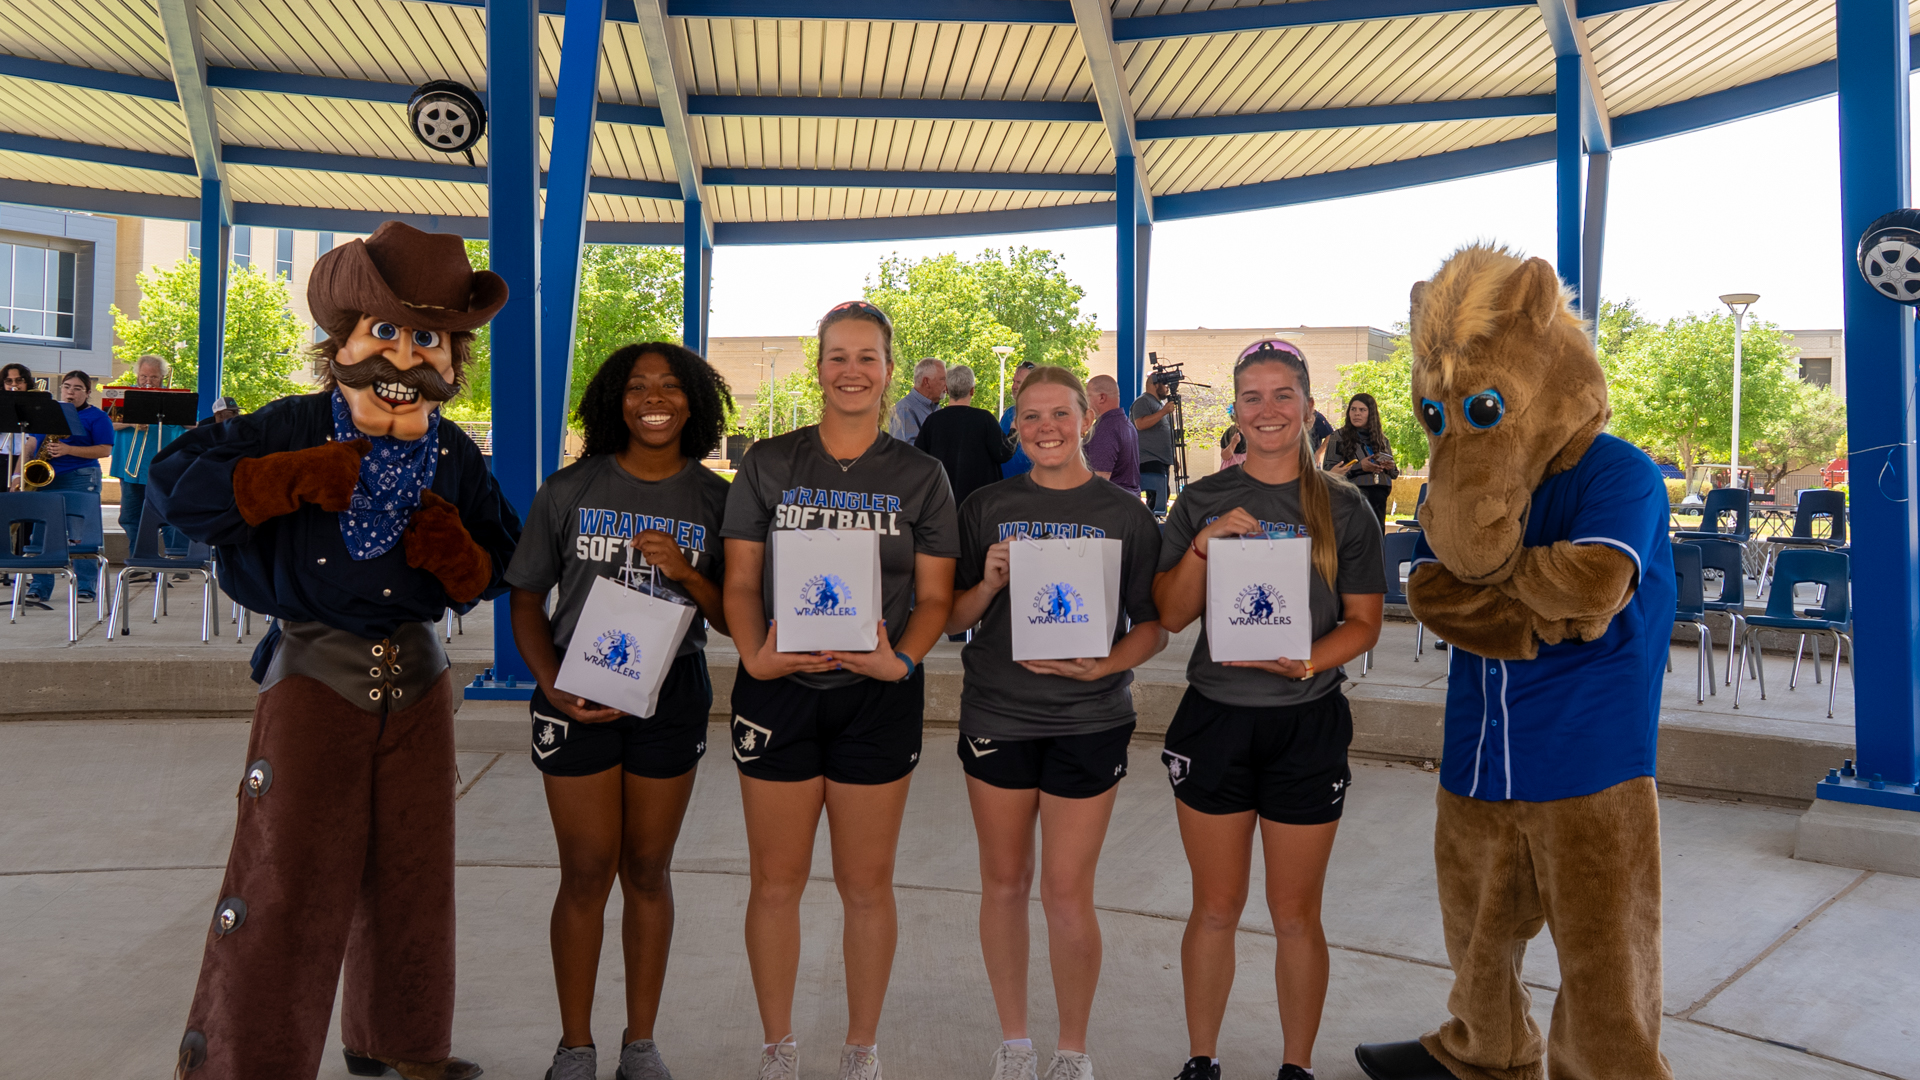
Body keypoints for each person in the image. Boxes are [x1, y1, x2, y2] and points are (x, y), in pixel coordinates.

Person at [151, 222, 520, 1080]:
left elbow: (503, 559)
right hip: (315, 679)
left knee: (416, 877)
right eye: (384, 331)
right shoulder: (285, 424)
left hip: (419, 684)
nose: (403, 354)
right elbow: (173, 489)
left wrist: (458, 557)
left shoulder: (454, 453)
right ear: (344, 342)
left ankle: (402, 1041)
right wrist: (280, 479)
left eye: (425, 337)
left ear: (451, 358)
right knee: (289, 880)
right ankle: (247, 1061)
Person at [1355, 248, 1677, 1080]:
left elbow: (1592, 588)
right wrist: (1529, 613)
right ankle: (1483, 1050)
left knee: (1605, 953)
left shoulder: (1623, 474)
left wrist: (1496, 586)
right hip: (1477, 747)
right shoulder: (1458, 476)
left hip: (1590, 756)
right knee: (1476, 932)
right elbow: (1431, 593)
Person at [721, 300, 959, 1080]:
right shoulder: (768, 461)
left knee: (865, 885)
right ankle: (778, 1048)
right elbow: (743, 579)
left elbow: (932, 599)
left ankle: (861, 1049)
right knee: (777, 881)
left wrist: (905, 662)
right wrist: (755, 656)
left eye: (867, 357)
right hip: (780, 692)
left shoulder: (921, 475)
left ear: (891, 369)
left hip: (875, 696)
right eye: (837, 356)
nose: (851, 370)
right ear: (817, 366)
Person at [1151, 339, 1385, 1080]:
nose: (1268, 409)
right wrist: (1201, 548)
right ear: (1236, 413)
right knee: (1215, 907)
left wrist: (1311, 658)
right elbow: (1169, 614)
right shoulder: (1202, 500)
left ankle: (1296, 1066)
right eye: (1251, 397)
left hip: (1306, 722)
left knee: (1294, 914)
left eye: (1283, 394)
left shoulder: (1343, 507)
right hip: (1216, 719)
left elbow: (1364, 622)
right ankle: (1201, 1059)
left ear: (1309, 408)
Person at [506, 342, 734, 1080]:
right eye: (637, 387)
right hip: (580, 691)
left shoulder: (716, 498)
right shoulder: (569, 488)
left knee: (646, 867)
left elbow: (735, 616)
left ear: (694, 403)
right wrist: (549, 682)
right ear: (616, 401)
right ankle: (575, 1046)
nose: (654, 398)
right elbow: (526, 597)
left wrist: (686, 573)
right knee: (585, 870)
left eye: (670, 386)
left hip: (672, 694)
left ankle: (642, 1043)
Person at [946, 366, 1167, 1080]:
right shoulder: (985, 506)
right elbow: (950, 619)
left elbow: (1152, 629)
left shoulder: (1125, 513)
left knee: (1068, 891)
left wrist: (1104, 669)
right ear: (1015, 424)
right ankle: (1015, 1042)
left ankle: (1072, 1050)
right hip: (998, 713)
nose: (1046, 428)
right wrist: (987, 582)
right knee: (1004, 882)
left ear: (1086, 419)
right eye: (1032, 416)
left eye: (1060, 414)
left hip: (1090, 719)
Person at [25, 370, 114, 605]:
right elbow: (33, 441)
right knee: (41, 534)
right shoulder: (48, 413)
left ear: (87, 392)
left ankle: (85, 587)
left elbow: (105, 450)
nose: (70, 392)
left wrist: (68, 450)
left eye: (77, 388)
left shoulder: (98, 417)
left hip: (81, 477)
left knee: (80, 535)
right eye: (66, 387)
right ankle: (39, 587)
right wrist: (19, 472)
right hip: (47, 478)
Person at [110, 355, 189, 546]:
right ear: (137, 375)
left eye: (153, 377)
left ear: (162, 377)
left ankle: (177, 561)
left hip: (163, 467)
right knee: (131, 517)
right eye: (143, 376)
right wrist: (132, 421)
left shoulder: (175, 399)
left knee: (169, 515)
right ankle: (140, 562)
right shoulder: (124, 396)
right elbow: (108, 423)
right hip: (130, 467)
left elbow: (192, 424)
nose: (147, 381)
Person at [915, 364, 1014, 507]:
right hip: (979, 504)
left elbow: (919, 460)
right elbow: (1003, 453)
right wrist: (1014, 432)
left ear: (947, 390)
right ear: (972, 390)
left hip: (941, 501)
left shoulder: (933, 421)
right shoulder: (984, 419)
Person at [1320, 393, 1399, 527]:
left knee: (1375, 542)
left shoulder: (1382, 440)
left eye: (1362, 410)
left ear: (1371, 413)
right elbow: (1328, 472)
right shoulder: (1337, 437)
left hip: (1379, 501)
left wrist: (1389, 467)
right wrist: (1360, 467)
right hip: (1351, 500)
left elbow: (1395, 474)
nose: (1357, 414)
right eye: (1353, 409)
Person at [1082, 375, 1139, 496]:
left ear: (1102, 397)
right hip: (1128, 501)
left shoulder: (1105, 430)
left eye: (1087, 396)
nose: (1085, 402)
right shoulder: (1127, 425)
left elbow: (1099, 481)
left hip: (1112, 505)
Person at [1131, 375, 1179, 513]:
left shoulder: (1159, 404)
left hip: (1161, 459)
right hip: (1149, 459)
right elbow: (1140, 424)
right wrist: (1163, 412)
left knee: (1161, 496)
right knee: (1158, 496)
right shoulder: (1143, 401)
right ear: (1155, 384)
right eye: (1165, 385)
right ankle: (1147, 524)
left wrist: (1173, 457)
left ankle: (1150, 521)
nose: (1167, 389)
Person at [884, 357, 946, 443]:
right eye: (943, 379)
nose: (947, 384)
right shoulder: (903, 411)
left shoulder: (936, 407)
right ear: (926, 382)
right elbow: (907, 453)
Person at [2, 363, 37, 491]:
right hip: (3, 457)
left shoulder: (38, 405)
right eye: (9, 381)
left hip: (27, 459)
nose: (14, 385)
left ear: (27, 383)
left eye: (19, 380)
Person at [999, 361, 1038, 479]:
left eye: (1019, 382)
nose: (1014, 386)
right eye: (1013, 382)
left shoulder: (1041, 416)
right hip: (1004, 486)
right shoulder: (1009, 413)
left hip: (1030, 487)